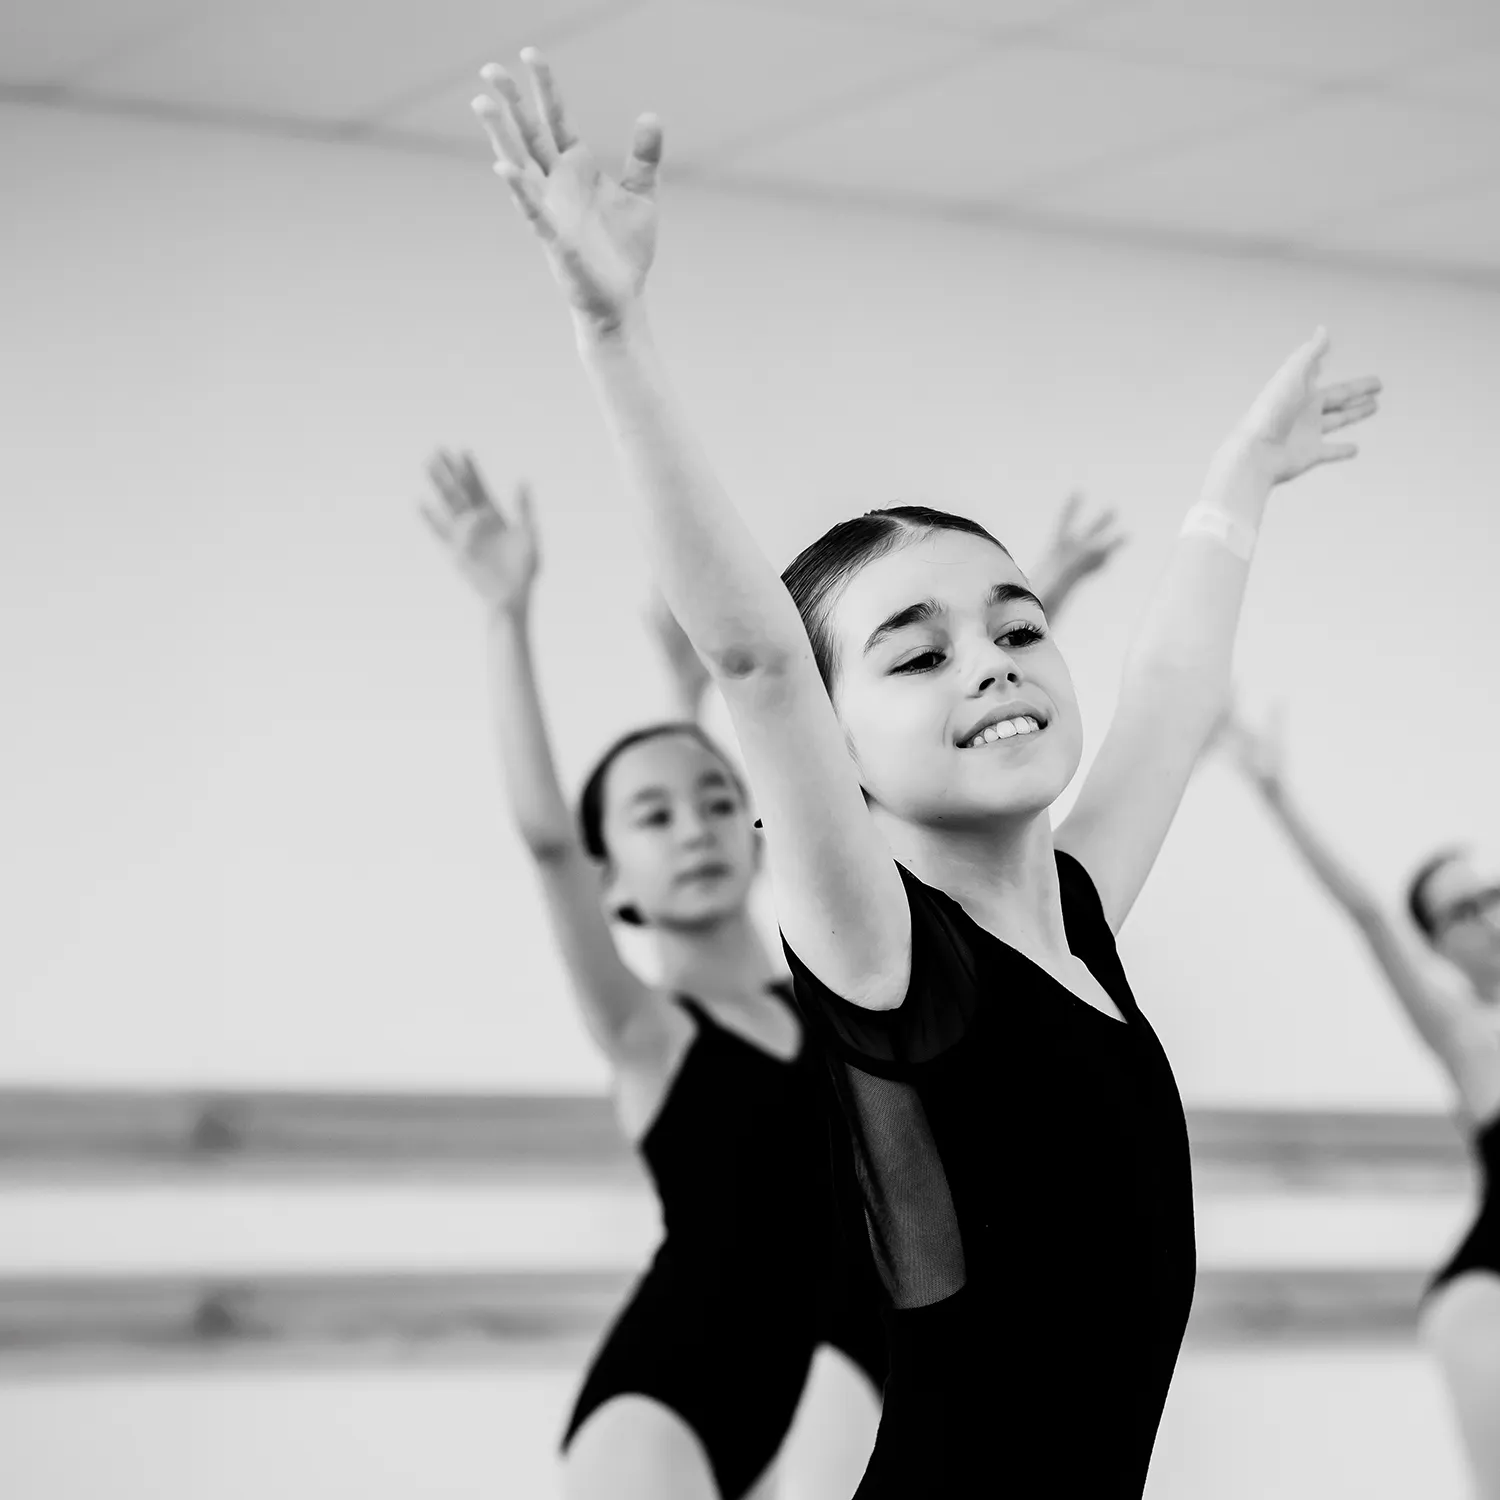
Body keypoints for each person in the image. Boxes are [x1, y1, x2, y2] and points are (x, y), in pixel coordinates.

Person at [468, 51, 1380, 1495]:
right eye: (916, 652)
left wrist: (1237, 488)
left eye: (1017, 627)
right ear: (832, 752)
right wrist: (612, 329)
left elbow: (1170, 690)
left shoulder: (1077, 916)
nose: (995, 662)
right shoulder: (883, 953)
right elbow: (758, 660)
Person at [419, 450, 884, 1500]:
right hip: (669, 1395)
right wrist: (506, 613)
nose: (697, 831)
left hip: (832, 1377)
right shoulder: (646, 1032)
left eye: (719, 803)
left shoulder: (838, 997)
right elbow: (545, 839)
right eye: (654, 817)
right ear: (610, 877)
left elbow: (877, 794)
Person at [1224, 710, 1500, 1499]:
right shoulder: (1465, 1035)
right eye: (1459, 911)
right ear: (1438, 946)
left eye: (1490, 894)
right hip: (1488, 1303)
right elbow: (1369, 914)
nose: (1485, 916)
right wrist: (1274, 792)